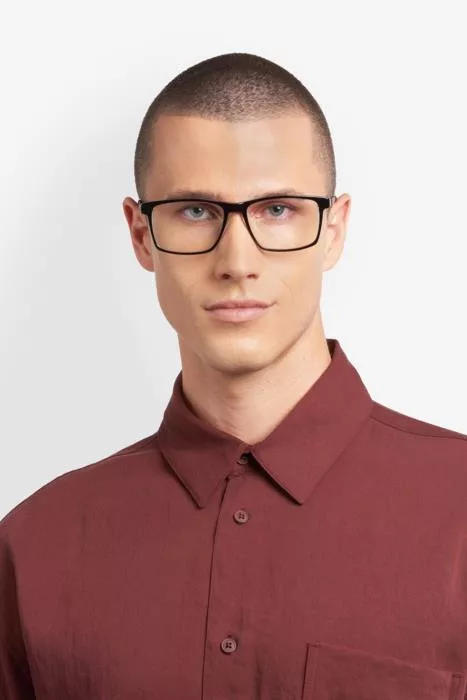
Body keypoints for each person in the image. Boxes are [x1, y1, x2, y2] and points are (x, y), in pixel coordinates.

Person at [1, 52, 467, 700]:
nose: (237, 261)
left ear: (333, 230)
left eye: (277, 210)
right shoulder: (35, 546)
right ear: (141, 234)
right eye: (195, 211)